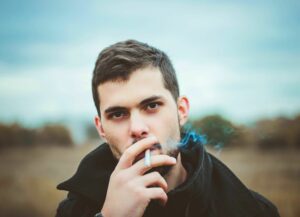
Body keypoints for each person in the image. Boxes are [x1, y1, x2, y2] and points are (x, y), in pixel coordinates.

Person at [56, 40, 280, 217]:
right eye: (117, 114)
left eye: (151, 106)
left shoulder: (251, 210)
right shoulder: (75, 211)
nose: (137, 128)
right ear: (101, 128)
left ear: (181, 110)